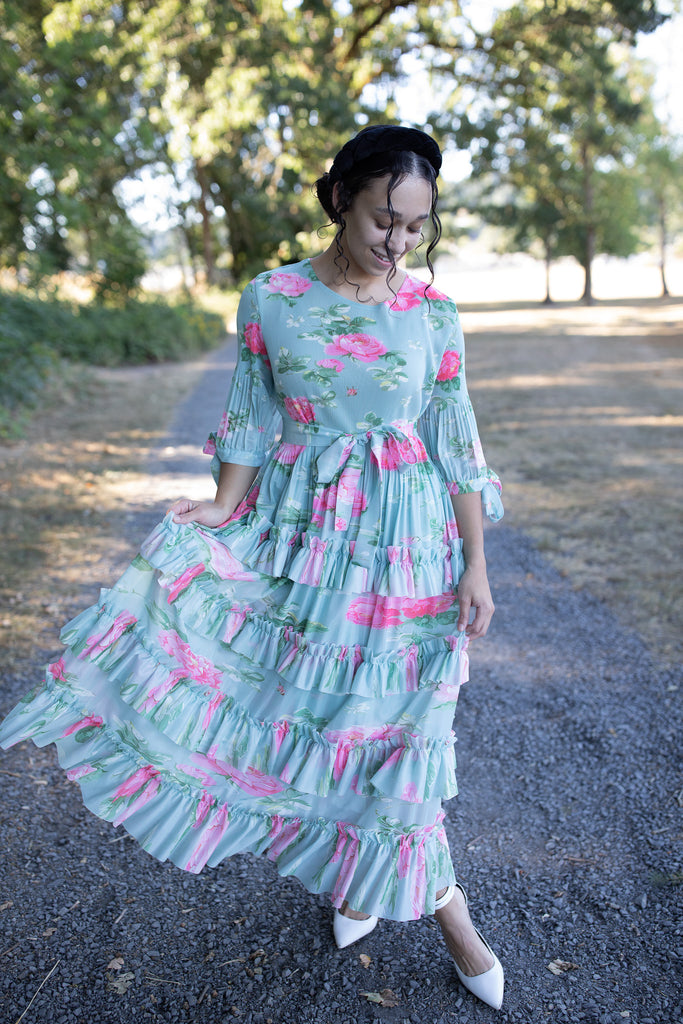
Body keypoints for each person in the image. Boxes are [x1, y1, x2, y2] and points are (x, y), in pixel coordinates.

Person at [0, 125, 504, 1009]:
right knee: (315, 719)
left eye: (415, 226)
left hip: (406, 547)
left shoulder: (433, 312)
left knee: (397, 732)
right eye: (383, 218)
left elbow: (455, 439)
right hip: (301, 537)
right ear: (340, 198)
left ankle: (429, 911)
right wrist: (223, 504)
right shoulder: (273, 297)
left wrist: (476, 565)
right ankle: (376, 888)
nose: (397, 241)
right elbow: (249, 413)